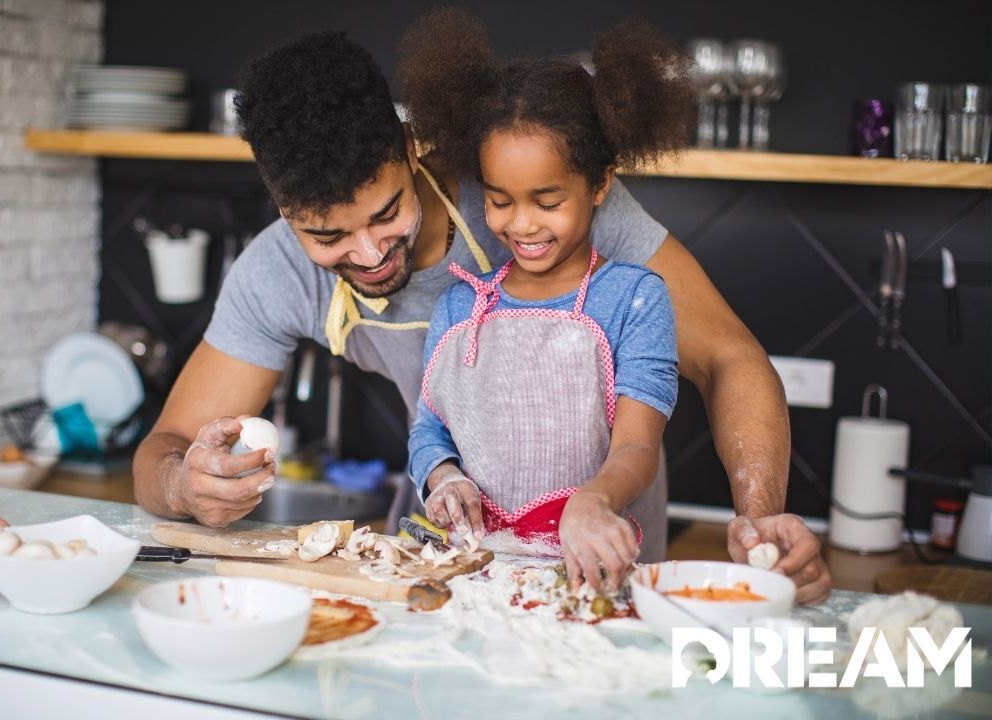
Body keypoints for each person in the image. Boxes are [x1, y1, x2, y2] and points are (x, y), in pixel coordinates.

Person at [131, 23, 831, 604]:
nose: (370, 253)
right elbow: (163, 452)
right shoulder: (274, 273)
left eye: (386, 213)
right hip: (452, 566)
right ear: (284, 214)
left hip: (606, 562)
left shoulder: (529, 190)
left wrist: (761, 518)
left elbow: (731, 357)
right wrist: (185, 484)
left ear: (411, 149)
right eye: (328, 237)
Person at [405, 12, 684, 591]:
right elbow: (428, 429)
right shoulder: (460, 309)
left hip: (584, 573)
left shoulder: (633, 298)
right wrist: (443, 477)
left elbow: (637, 443)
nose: (522, 223)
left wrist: (595, 500)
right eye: (500, 200)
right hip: (470, 571)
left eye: (548, 199)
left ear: (601, 184)